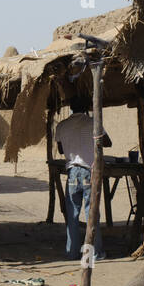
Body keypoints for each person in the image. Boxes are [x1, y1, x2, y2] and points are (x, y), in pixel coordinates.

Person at [56, 95, 111, 261]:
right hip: (89, 171)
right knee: (91, 213)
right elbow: (107, 142)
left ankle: (72, 252)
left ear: (70, 107)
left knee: (72, 213)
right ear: (87, 107)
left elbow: (59, 149)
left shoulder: (61, 125)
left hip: (72, 172)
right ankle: (92, 253)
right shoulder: (94, 122)